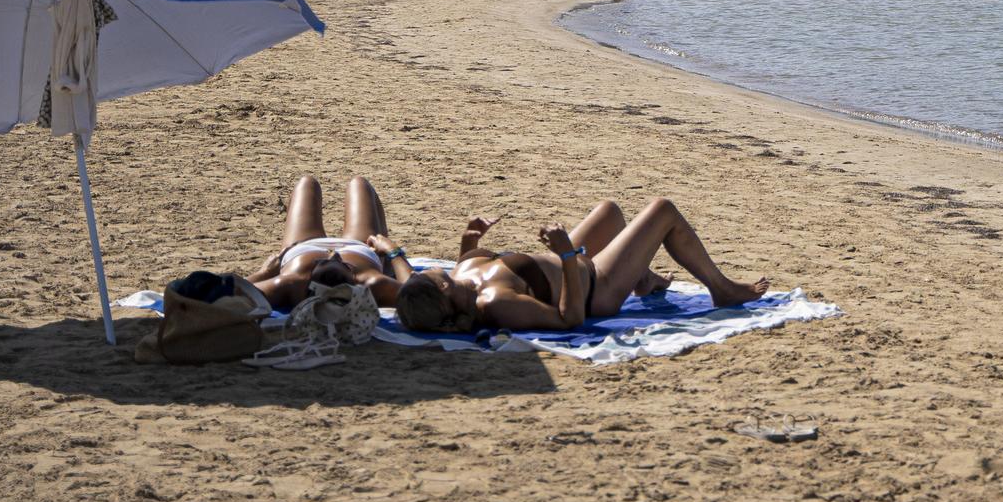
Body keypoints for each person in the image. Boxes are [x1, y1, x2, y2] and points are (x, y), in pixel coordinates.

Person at [394, 198, 769, 334]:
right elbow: (569, 319)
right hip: (595, 288)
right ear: (440, 288)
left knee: (609, 211)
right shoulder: (494, 303)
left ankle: (644, 279)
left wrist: (469, 243)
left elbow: (469, 264)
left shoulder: (460, 277)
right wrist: (568, 257)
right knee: (662, 211)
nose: (421, 268)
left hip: (572, 266)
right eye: (421, 275)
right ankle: (721, 289)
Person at [247, 176, 417, 310]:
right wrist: (392, 252)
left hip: (301, 248)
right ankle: (384, 265)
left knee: (306, 183)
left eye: (320, 264)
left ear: (309, 279)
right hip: (360, 248)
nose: (333, 254)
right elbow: (416, 291)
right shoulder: (372, 283)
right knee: (360, 184)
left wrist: (264, 273)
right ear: (354, 281)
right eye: (345, 266)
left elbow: (231, 290)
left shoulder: (291, 282)